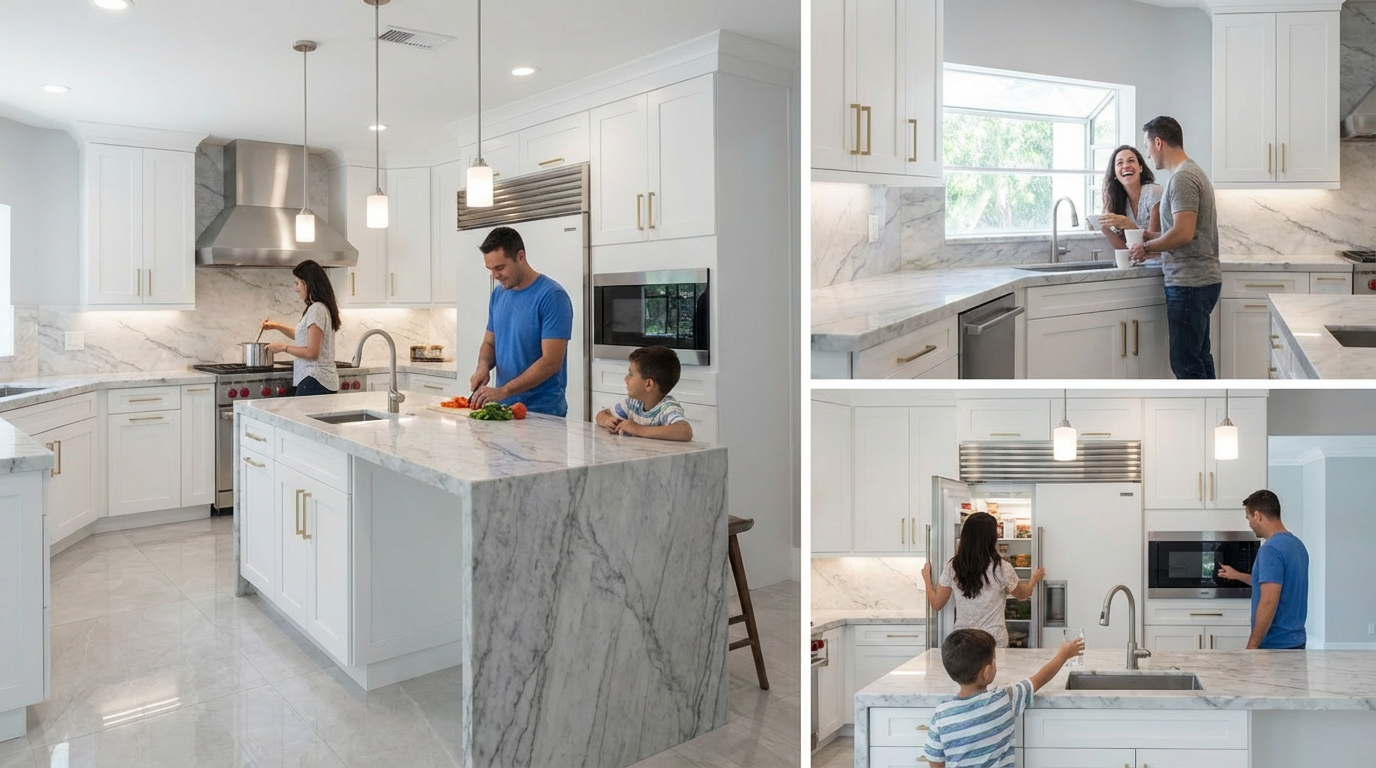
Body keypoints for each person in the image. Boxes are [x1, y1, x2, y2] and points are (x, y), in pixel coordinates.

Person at [1130, 116, 1222, 379]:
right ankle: (1213, 413)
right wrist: (1154, 235)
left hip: (1190, 283)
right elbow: (1184, 231)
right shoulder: (1190, 173)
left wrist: (1146, 246)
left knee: (1185, 363)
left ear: (1158, 142)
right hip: (1200, 281)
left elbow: (1183, 233)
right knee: (1199, 358)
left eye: (1147, 146)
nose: (1147, 154)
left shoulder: (1182, 178)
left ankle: (1203, 416)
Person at [923, 628, 1084, 768]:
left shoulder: (941, 715)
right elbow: (1038, 680)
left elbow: (935, 761)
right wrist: (1063, 655)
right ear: (986, 672)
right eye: (994, 660)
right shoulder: (1003, 699)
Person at [468, 226, 574, 417]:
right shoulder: (498, 295)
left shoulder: (552, 296)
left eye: (500, 268)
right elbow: (489, 343)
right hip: (503, 410)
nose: (495, 276)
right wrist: (483, 366)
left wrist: (503, 391)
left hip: (542, 414)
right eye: (490, 269)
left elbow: (551, 362)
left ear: (520, 256)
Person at [920, 512, 1046, 648]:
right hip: (993, 642)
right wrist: (1033, 579)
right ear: (991, 538)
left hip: (964, 642)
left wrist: (927, 581)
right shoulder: (1002, 567)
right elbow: (1023, 594)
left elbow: (937, 604)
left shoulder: (954, 566)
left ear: (965, 536)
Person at [1217, 489, 1309, 649]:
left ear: (1257, 515)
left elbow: (1268, 601)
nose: (1250, 524)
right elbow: (1277, 584)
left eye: (1249, 518)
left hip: (1275, 646)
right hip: (1296, 643)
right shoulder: (1297, 545)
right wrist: (1237, 575)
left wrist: (1252, 646)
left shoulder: (1270, 549)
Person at [261, 260, 341, 396]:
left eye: (297, 283)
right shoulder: (321, 307)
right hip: (320, 381)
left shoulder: (316, 309)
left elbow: (311, 352)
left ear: (308, 283)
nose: (295, 288)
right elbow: (304, 336)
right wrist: (276, 326)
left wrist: (283, 347)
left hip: (314, 380)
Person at [594, 345, 694, 442]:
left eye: (630, 374)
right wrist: (608, 420)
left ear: (648, 384)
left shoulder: (667, 408)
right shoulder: (632, 403)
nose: (625, 379)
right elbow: (602, 414)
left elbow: (685, 431)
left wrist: (638, 429)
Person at [1097, 144, 1162, 250]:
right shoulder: (1120, 201)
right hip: (1140, 263)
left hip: (1159, 263)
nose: (1126, 166)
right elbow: (1125, 249)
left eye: (1131, 161)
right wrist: (1104, 229)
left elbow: (1153, 242)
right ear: (1114, 174)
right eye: (1120, 163)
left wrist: (1129, 225)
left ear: (1140, 168)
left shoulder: (1153, 192)